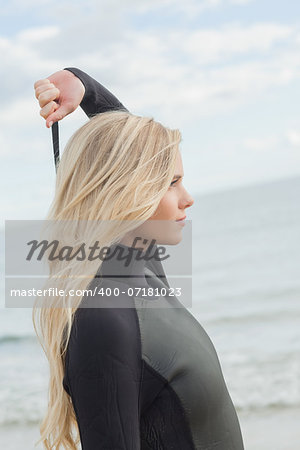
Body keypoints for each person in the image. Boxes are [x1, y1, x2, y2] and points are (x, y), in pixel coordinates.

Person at [33, 68, 245, 450]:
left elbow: (124, 148)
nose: (187, 197)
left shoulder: (140, 268)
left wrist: (85, 88)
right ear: (128, 193)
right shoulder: (103, 318)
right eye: (172, 182)